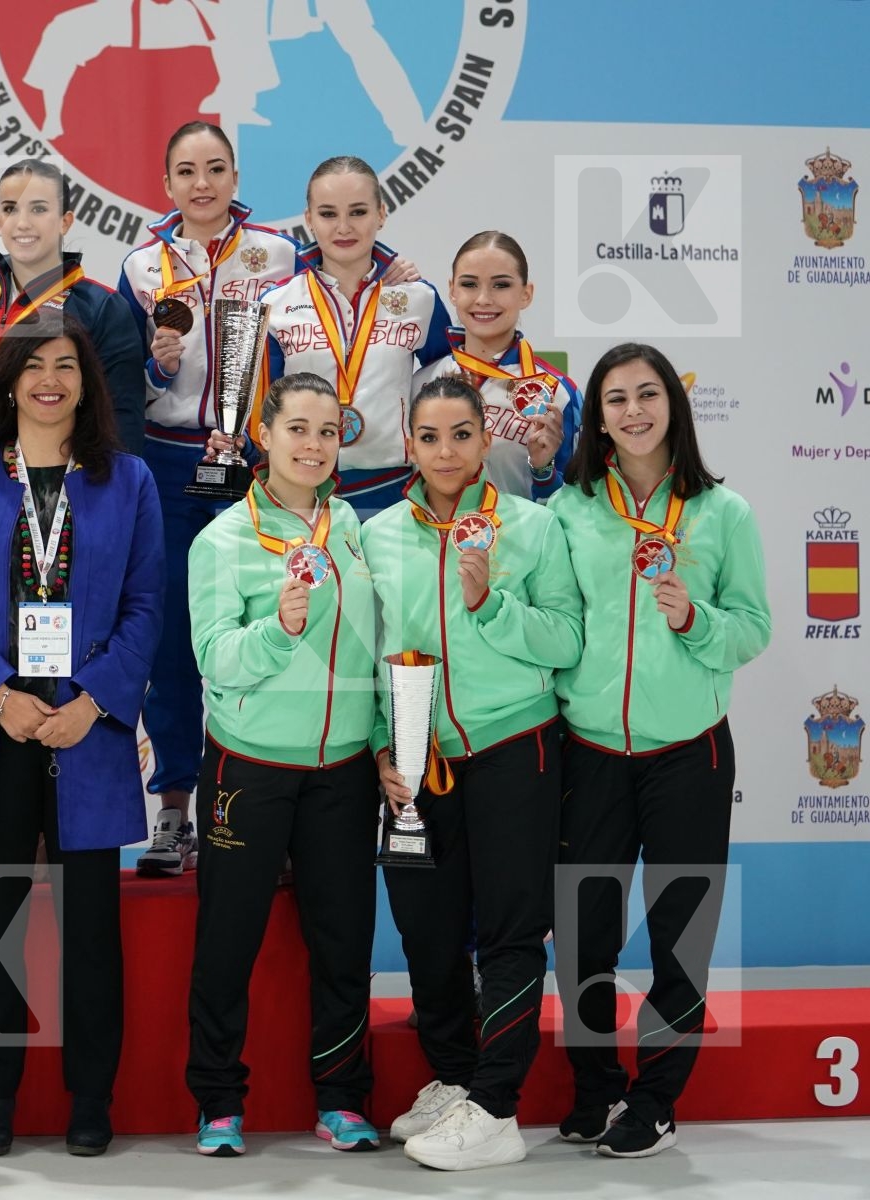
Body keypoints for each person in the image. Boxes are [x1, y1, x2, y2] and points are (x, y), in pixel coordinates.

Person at [0, 313, 162, 1158]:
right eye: (34, 366)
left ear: (88, 383)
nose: (50, 380)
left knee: (91, 929)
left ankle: (89, 1098)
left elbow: (144, 607)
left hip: (84, 728)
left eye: (67, 366)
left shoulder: (127, 480)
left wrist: (95, 702)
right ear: (9, 380)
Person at [549, 343, 770, 1159]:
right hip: (591, 750)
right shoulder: (570, 508)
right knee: (583, 933)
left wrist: (692, 620)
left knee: (679, 934)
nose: (634, 411)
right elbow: (561, 624)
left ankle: (657, 1100)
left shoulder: (723, 512)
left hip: (689, 753)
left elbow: (753, 627)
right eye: (615, 399)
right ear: (596, 418)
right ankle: (595, 1087)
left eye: (648, 395)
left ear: (674, 406)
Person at [359, 376, 583, 1170]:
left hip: (511, 749)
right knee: (426, 934)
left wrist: (492, 605)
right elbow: (369, 651)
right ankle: (454, 1081)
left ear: (488, 442)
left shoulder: (531, 526)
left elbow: (566, 642)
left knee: (512, 933)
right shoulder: (376, 533)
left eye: (462, 435)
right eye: (430, 437)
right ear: (408, 443)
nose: (446, 452)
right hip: (414, 763)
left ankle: (496, 1106)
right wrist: (383, 748)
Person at [183, 372, 380, 1158]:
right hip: (250, 767)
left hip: (344, 768)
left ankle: (341, 1097)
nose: (313, 445)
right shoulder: (223, 539)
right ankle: (219, 1101)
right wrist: (280, 628)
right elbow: (215, 658)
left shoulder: (358, 529)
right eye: (297, 428)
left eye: (328, 431)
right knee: (228, 941)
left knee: (344, 942)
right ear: (265, 436)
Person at [116, 121, 299, 878]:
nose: (202, 183)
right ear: (166, 183)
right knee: (171, 642)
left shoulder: (282, 254)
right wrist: (157, 374)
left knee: (265, 626)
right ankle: (173, 811)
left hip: (253, 467)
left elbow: (323, 319)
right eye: (186, 170)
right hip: (167, 465)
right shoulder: (140, 265)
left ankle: (271, 811)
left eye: (216, 168)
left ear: (235, 176)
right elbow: (123, 378)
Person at [260, 155, 451, 519]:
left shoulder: (418, 298)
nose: (343, 227)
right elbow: (263, 404)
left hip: (393, 491)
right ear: (309, 219)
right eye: (328, 214)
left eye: (359, 212)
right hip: (302, 490)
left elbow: (445, 382)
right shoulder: (277, 303)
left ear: (381, 213)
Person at [0, 157, 145, 454]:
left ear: (65, 221)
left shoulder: (102, 307)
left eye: (39, 209)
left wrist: (111, 493)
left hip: (64, 486)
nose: (22, 222)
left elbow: (122, 418)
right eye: (10, 209)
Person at [412, 231, 582, 500]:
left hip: (521, 541)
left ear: (526, 294)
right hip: (434, 540)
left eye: (501, 285)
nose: (483, 299)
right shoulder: (420, 384)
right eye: (469, 284)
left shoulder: (556, 392)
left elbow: (577, 505)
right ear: (452, 291)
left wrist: (543, 471)